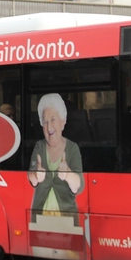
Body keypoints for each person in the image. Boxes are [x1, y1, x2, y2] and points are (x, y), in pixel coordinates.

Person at [28, 93, 84, 223]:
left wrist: (68, 175)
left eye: (53, 120)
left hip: (67, 221)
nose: (49, 127)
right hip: (40, 220)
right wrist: (36, 175)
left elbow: (78, 186)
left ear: (63, 121)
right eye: (45, 122)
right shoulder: (39, 146)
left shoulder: (73, 148)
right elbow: (31, 178)